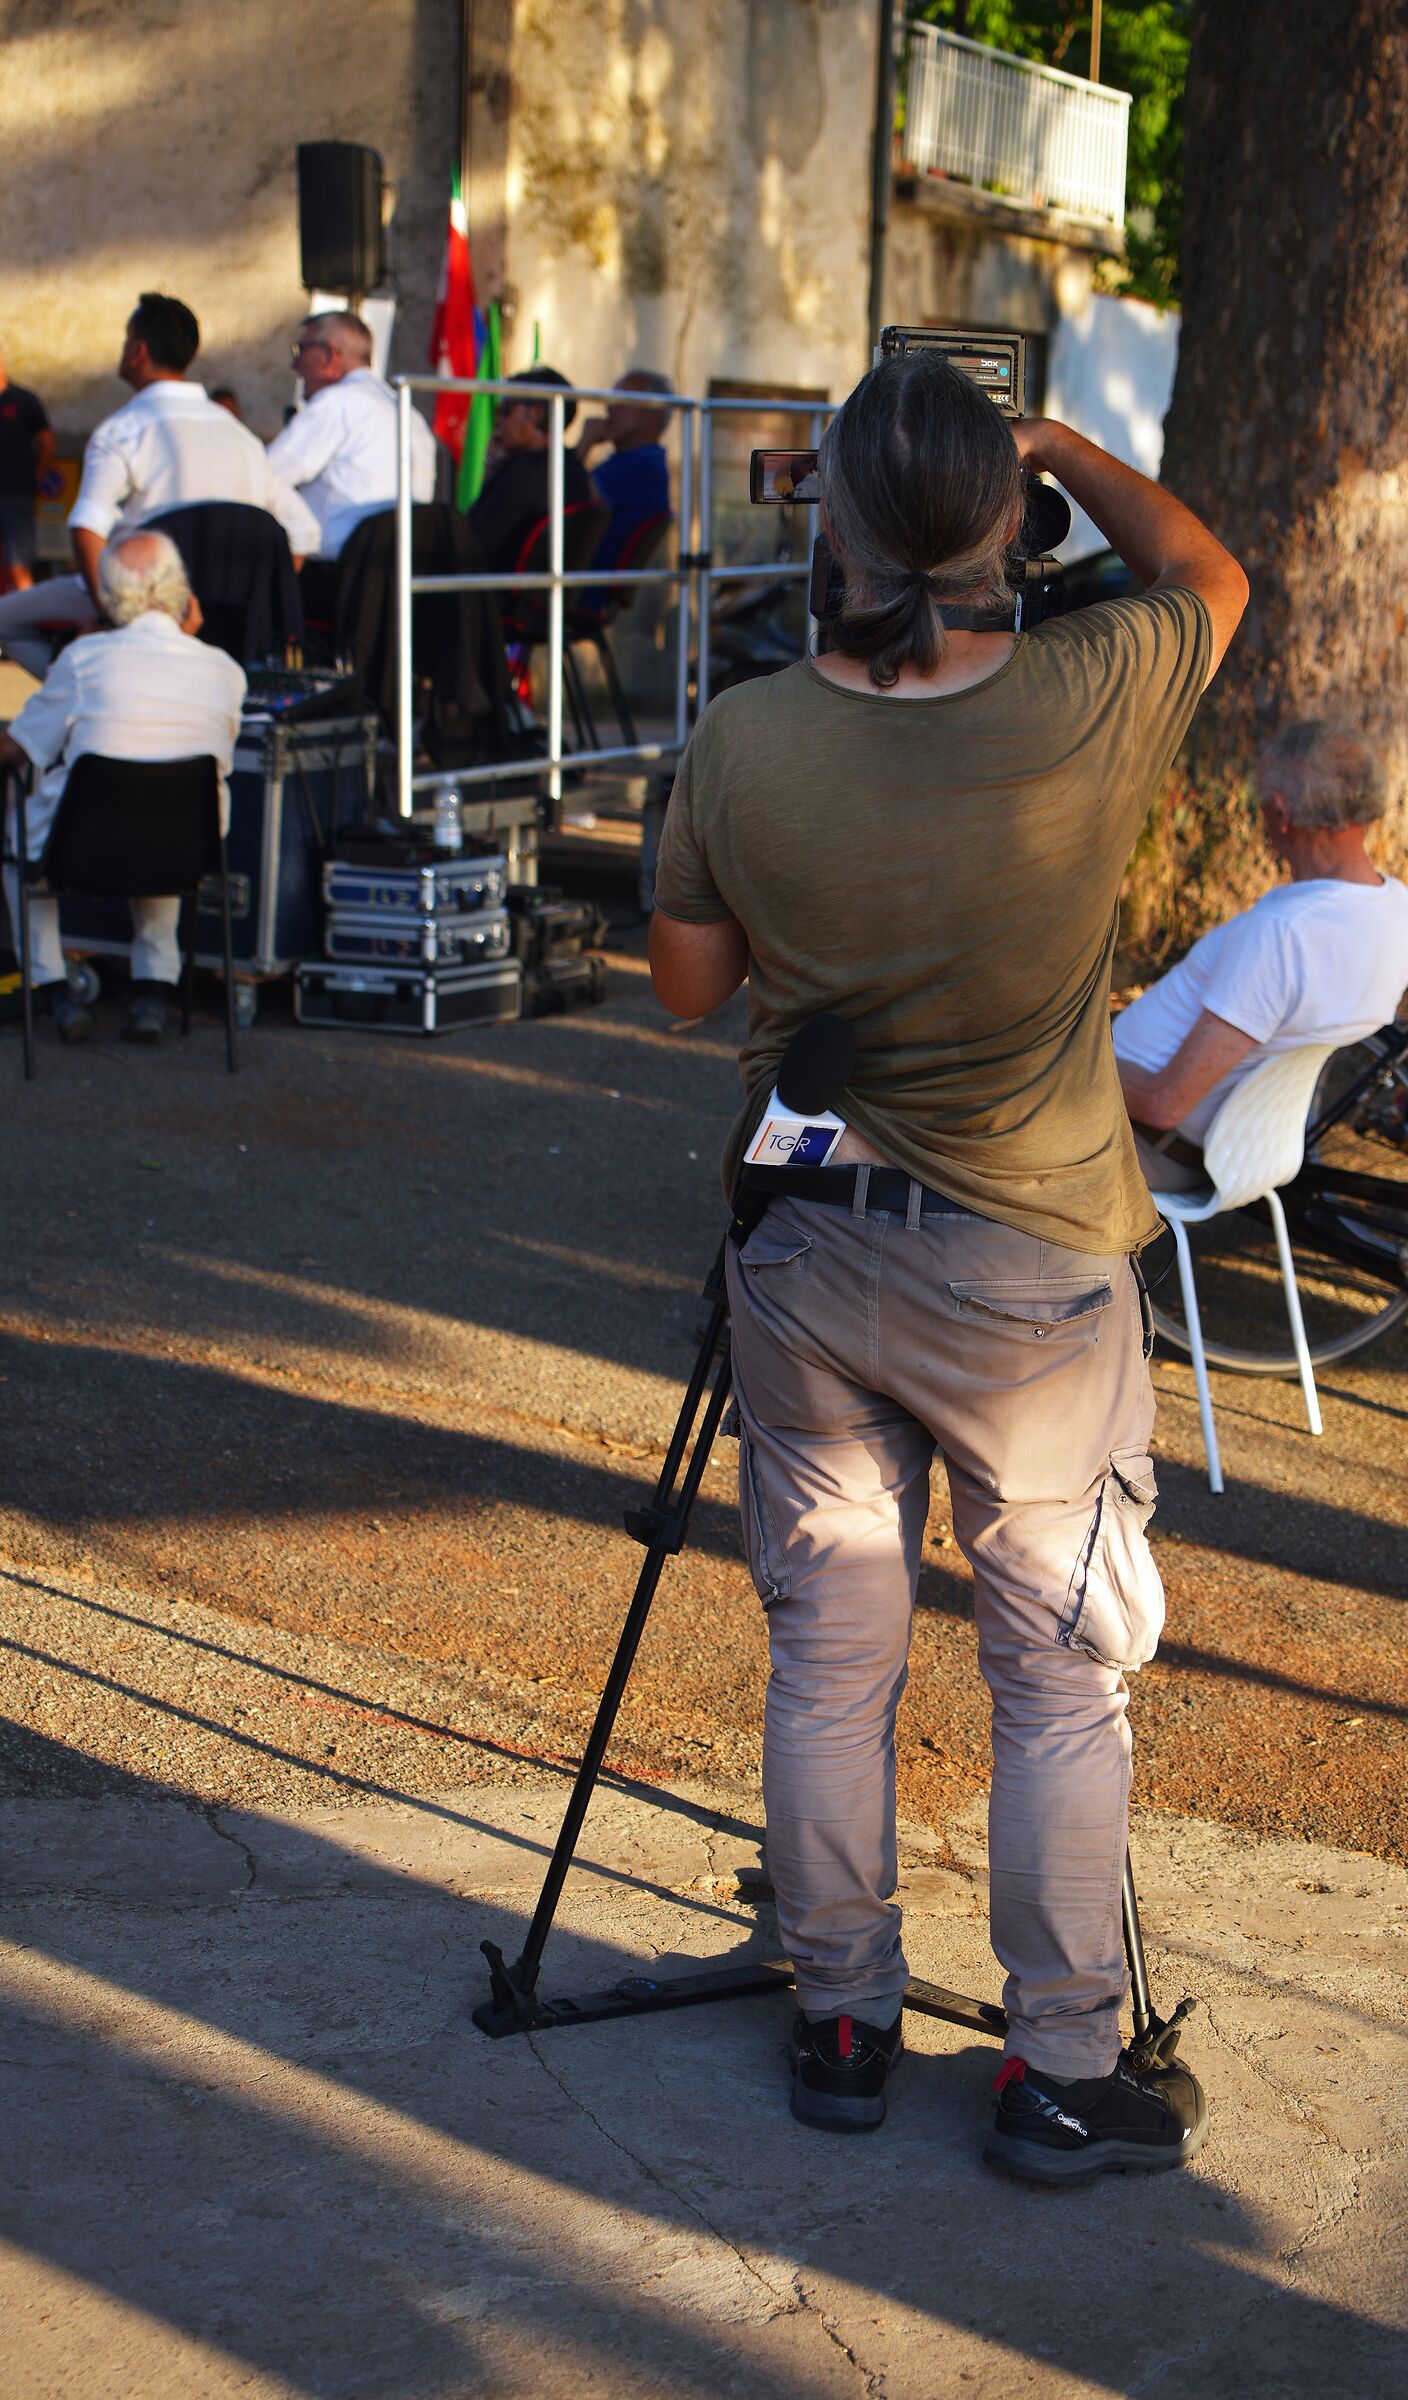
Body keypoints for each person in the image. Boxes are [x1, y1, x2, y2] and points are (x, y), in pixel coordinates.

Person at [649, 348, 1249, 2183]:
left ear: (825, 521)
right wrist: (1057, 441)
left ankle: (838, 2013)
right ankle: (1057, 2065)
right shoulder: (1087, 689)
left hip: (812, 1231)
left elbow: (690, 992)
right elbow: (1212, 580)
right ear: (1006, 514)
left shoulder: (749, 736)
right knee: (1054, 1669)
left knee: (827, 1653)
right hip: (1030, 1264)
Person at [1114, 721, 1408, 1190]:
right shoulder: (1395, 909)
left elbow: (1162, 1103)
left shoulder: (1282, 934)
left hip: (1141, 1145)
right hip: (1226, 1151)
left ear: (1280, 811)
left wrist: (1074, 1062)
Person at [0, 530, 245, 1046]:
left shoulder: (85, 661)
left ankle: (54, 991)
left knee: (15, 844)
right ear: (182, 591)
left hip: (81, 853)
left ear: (108, 595)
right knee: (164, 798)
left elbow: (19, 749)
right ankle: (152, 992)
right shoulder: (225, 671)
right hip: (189, 855)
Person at [0, 294, 318, 675]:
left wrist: (113, 613)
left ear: (138, 350)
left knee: (6, 618)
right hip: (229, 621)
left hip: (141, 602)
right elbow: (304, 531)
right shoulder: (242, 437)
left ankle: (84, 690)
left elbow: (86, 528)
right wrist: (254, 595)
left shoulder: (123, 432)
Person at [266, 311, 438, 611]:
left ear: (327, 355)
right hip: (399, 578)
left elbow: (264, 477)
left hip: (337, 578)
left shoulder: (337, 403)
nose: (295, 364)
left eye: (300, 350)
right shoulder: (410, 413)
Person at [466, 366, 593, 573]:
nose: (498, 420)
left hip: (494, 594)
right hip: (532, 596)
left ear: (535, 414)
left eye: (506, 409)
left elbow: (472, 542)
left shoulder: (526, 471)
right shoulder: (572, 467)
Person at [575, 369, 673, 575]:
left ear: (653, 414)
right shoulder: (632, 462)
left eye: (623, 399)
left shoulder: (643, 467)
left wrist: (584, 443)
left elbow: (567, 499)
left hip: (582, 584)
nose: (609, 407)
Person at [0, 346, 54, 592]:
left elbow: (46, 441)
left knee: (18, 565)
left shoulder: (24, 400)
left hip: (17, 494)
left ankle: (24, 625)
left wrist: (38, 475)